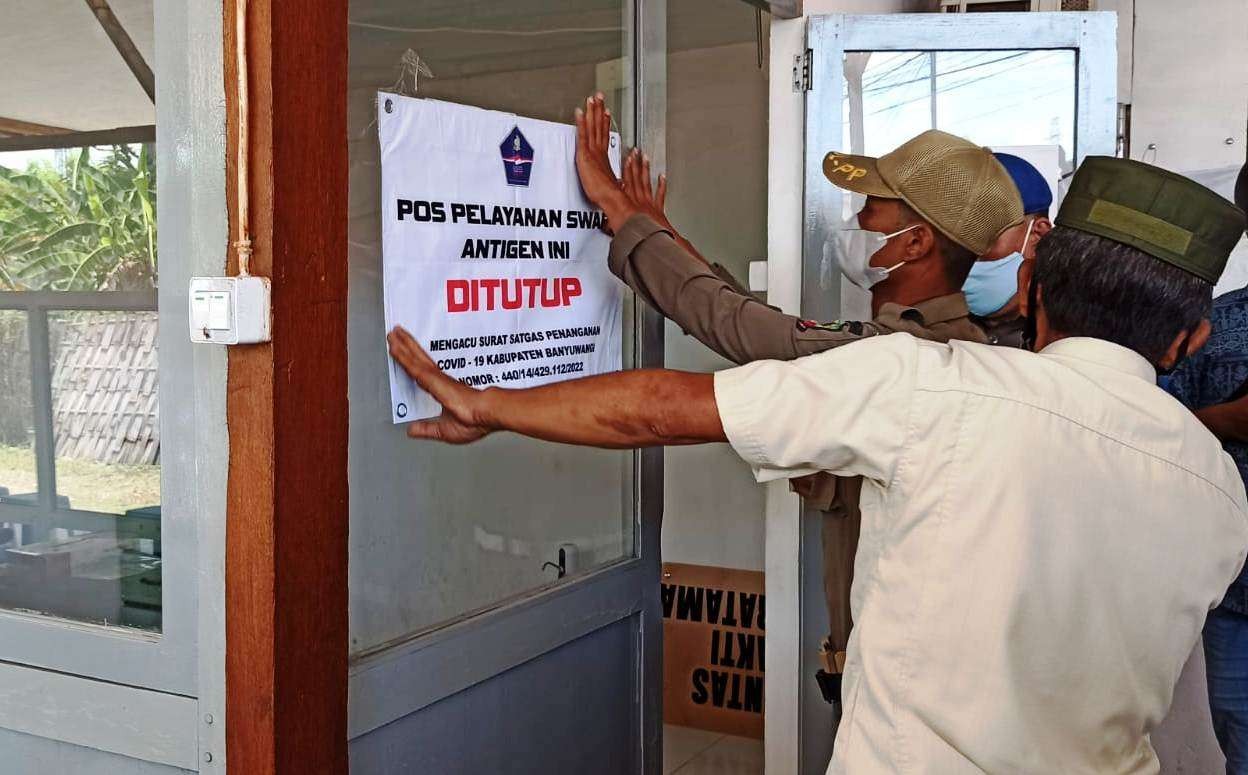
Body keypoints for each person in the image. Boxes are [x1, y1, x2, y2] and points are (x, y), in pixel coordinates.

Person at [388, 155, 1248, 773]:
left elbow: (668, 398)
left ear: (1037, 285)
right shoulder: (1219, 490)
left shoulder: (929, 383)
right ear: (1191, 335)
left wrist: (486, 400)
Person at [573, 94, 1024, 702]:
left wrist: (622, 213)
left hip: (895, 702)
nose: (856, 222)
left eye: (871, 208)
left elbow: (745, 330)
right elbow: (760, 324)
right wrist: (654, 232)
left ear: (916, 243)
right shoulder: (934, 343)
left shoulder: (901, 357)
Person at [1165, 158, 1248, 773]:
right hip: (1239, 592)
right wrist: (1226, 420)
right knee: (1240, 735)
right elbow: (1149, 436)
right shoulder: (1211, 325)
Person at [963, 152, 1054, 347]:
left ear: (1038, 237)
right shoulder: (930, 335)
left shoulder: (1061, 337)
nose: (966, 252)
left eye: (983, 234)